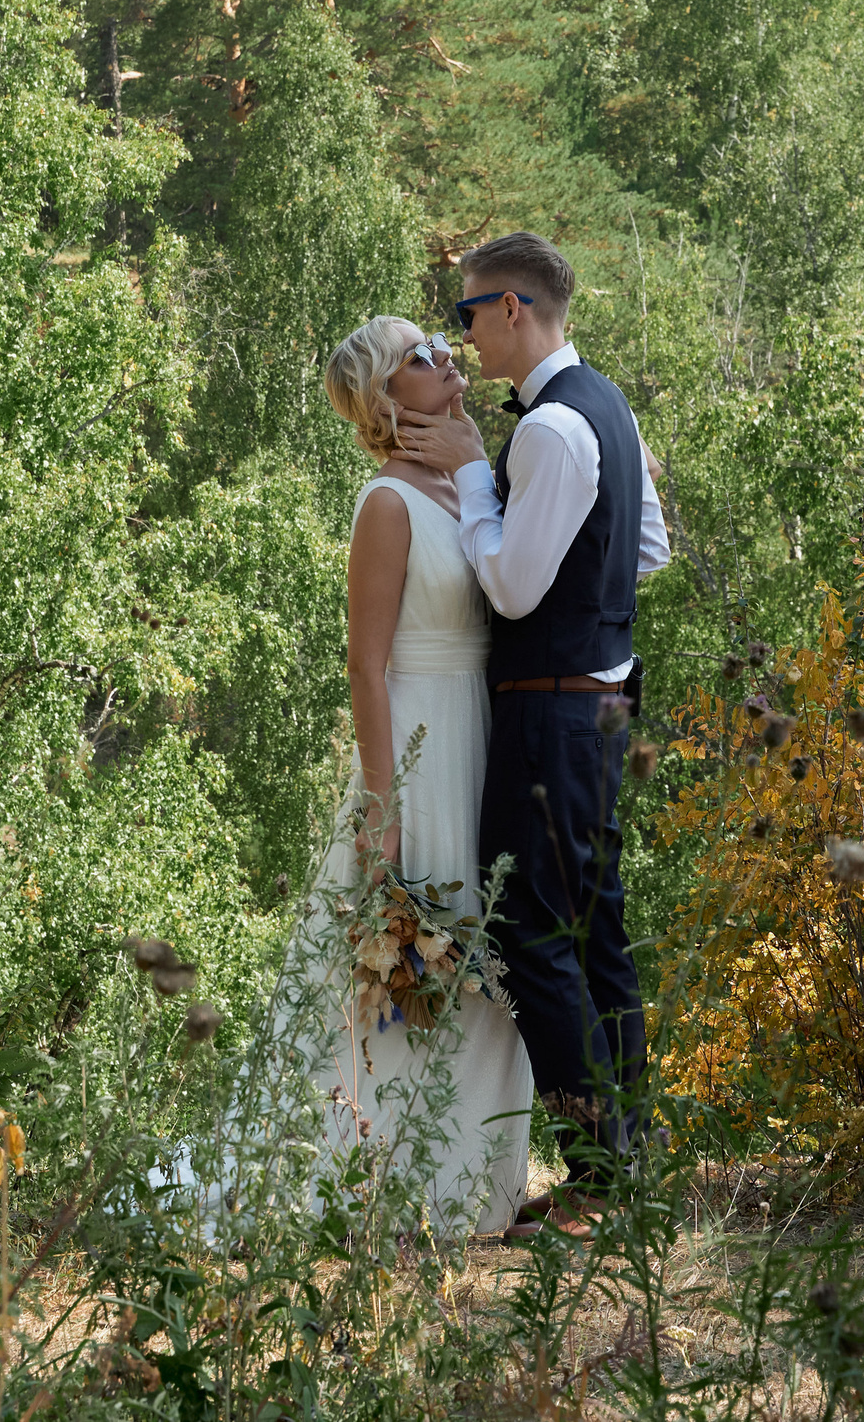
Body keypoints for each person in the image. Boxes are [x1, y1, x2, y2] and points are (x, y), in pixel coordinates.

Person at [396, 231, 669, 1239]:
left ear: (513, 307)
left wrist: (476, 479)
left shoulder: (548, 431)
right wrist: (588, 601)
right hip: (599, 694)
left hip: (551, 705)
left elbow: (509, 583)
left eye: (467, 315)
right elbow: (648, 547)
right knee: (596, 931)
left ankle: (598, 1172)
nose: (463, 337)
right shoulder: (611, 406)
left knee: (530, 929)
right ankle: (629, 1162)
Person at [283, 313, 538, 1235]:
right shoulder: (385, 503)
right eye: (421, 355)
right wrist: (383, 806)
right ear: (389, 401)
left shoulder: (466, 487)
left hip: (486, 735)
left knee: (493, 959)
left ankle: (478, 1183)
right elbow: (366, 662)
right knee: (419, 970)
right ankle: (384, 1182)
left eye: (439, 340)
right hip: (423, 747)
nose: (446, 355)